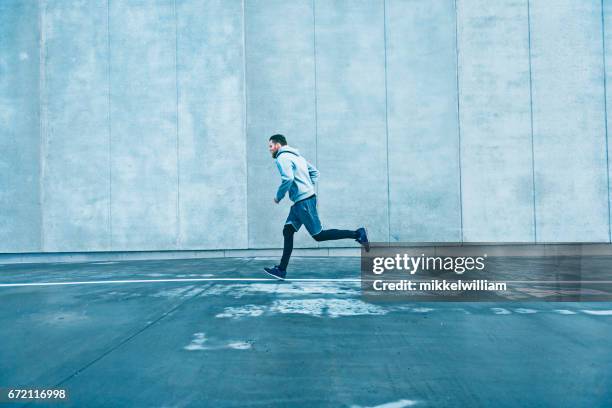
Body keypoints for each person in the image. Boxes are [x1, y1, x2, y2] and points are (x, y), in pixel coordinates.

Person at [264, 134, 369, 280]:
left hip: (303, 202)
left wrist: (278, 197)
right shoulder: (298, 157)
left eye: (270, 146)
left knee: (318, 236)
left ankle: (357, 234)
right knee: (288, 231)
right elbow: (315, 173)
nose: (269, 150)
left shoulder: (282, 158)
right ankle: (281, 269)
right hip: (300, 203)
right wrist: (306, 186)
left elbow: (287, 178)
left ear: (278, 145)